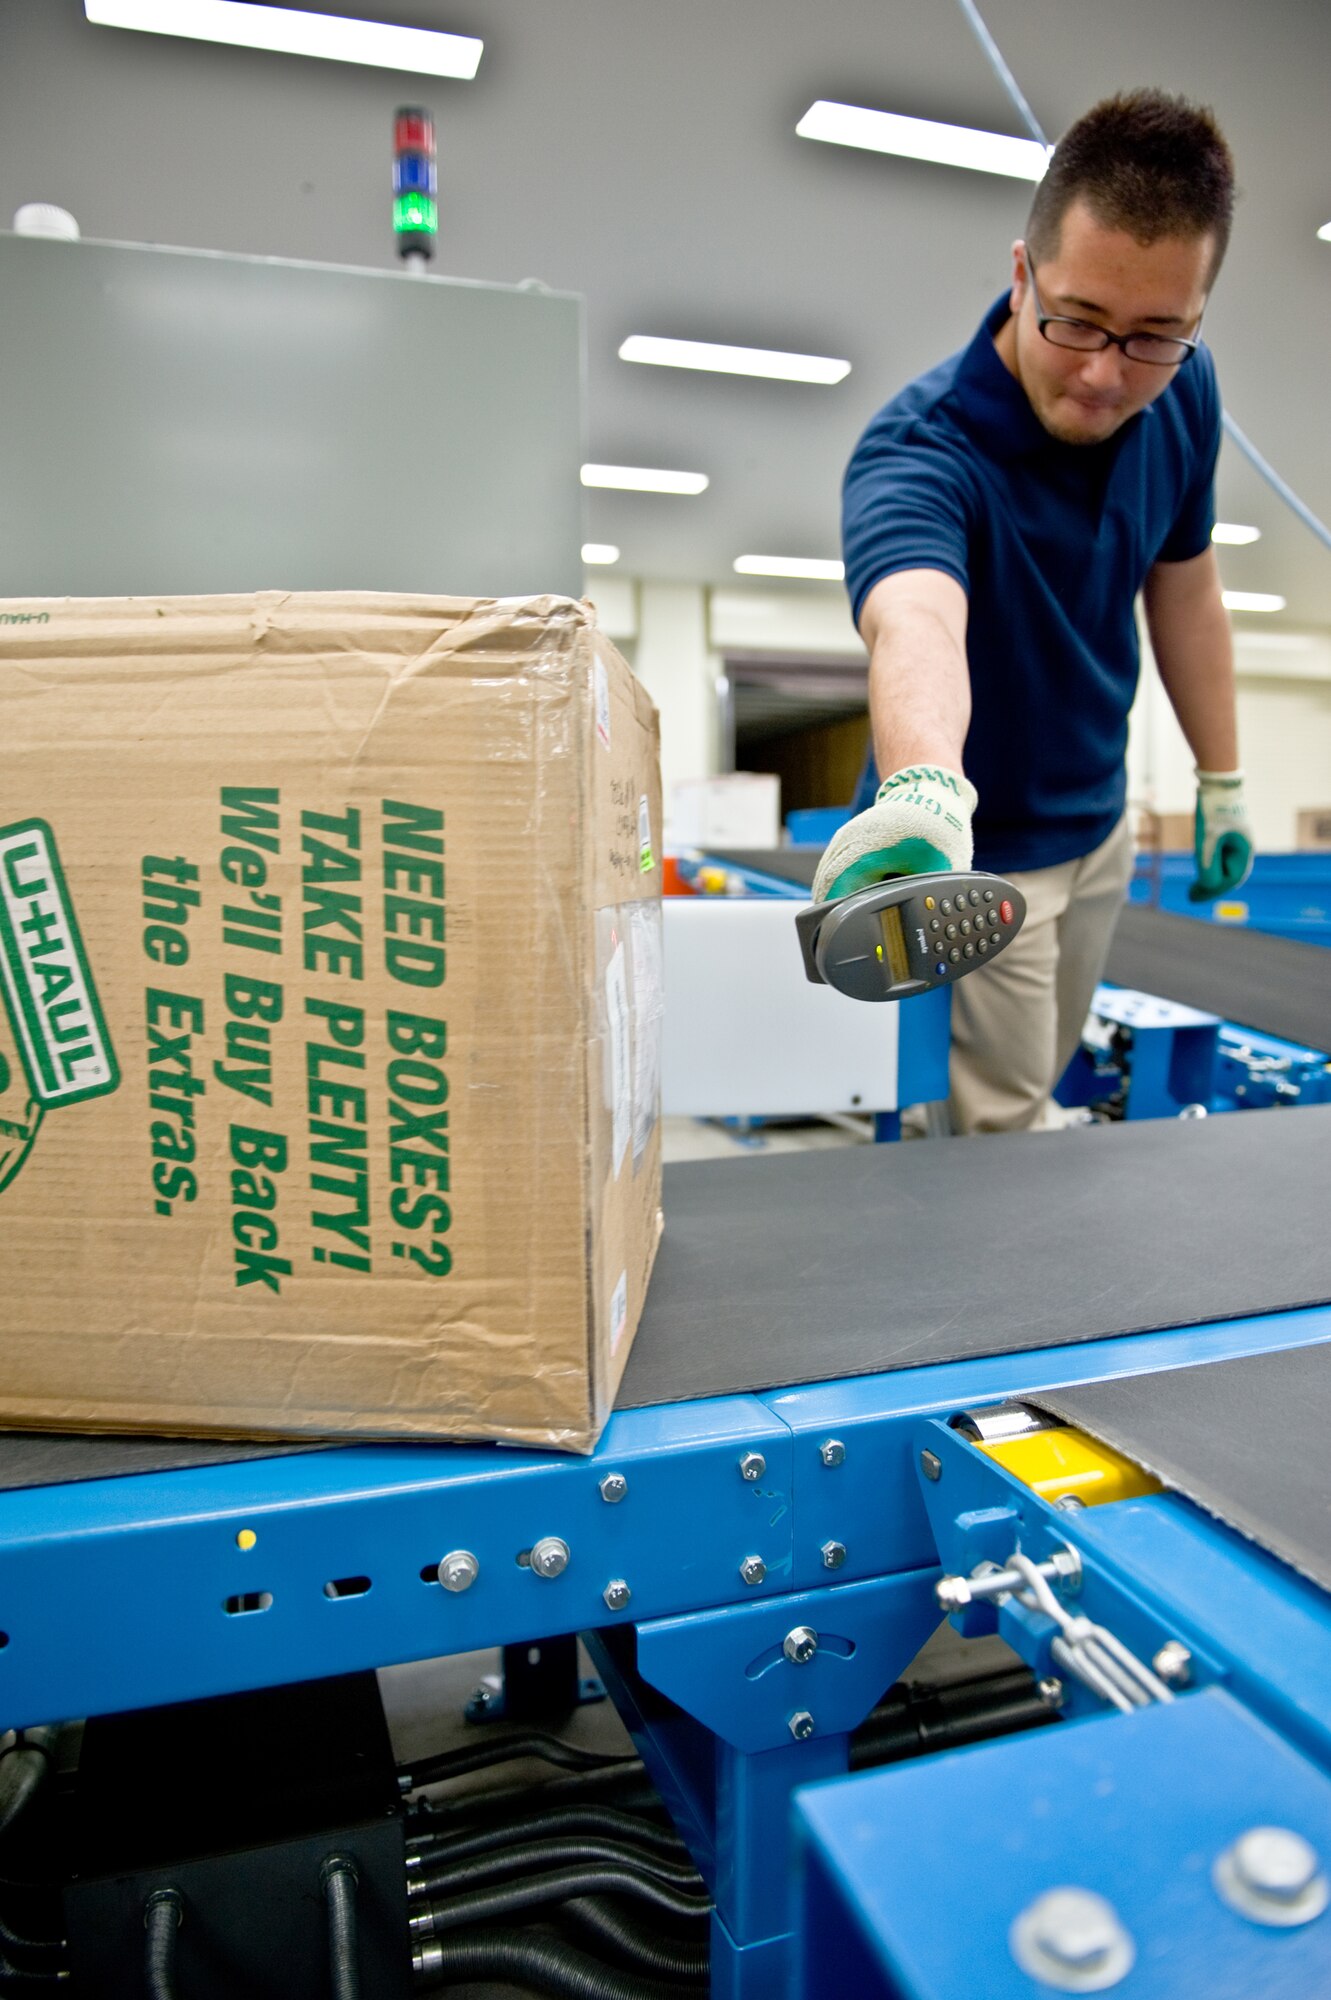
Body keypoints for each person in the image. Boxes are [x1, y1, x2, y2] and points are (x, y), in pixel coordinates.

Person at [812, 90, 1254, 1134]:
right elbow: (915, 618)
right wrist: (926, 782)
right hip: (970, 853)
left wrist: (1221, 777)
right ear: (1020, 274)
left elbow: (1182, 587)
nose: (1106, 374)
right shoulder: (921, 450)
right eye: (1076, 322)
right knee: (991, 1136)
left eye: (1154, 334)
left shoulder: (1180, 391)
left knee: (1039, 1094)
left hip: (1093, 822)